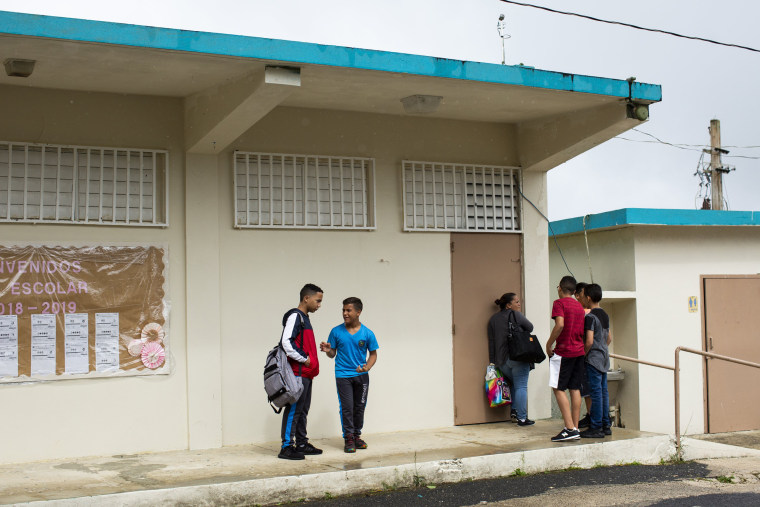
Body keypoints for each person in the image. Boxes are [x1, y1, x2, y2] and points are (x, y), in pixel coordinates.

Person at [320, 297, 379, 453]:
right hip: (343, 375)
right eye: (343, 310)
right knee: (347, 408)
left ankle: (357, 436)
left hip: (361, 376)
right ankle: (349, 438)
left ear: (358, 312)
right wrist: (328, 350)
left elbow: (373, 355)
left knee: (359, 407)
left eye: (348, 310)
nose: (345, 313)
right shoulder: (335, 331)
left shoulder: (367, 333)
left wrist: (367, 367)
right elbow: (332, 354)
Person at [278, 283, 323, 460]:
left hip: (306, 374)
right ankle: (286, 447)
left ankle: (302, 443)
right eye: (317, 301)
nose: (319, 305)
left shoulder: (305, 318)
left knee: (303, 409)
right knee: (294, 410)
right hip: (297, 373)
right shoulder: (295, 316)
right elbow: (286, 342)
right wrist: (305, 358)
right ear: (306, 298)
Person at [546, 275, 586, 442]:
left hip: (564, 352)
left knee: (558, 387)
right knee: (574, 388)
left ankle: (569, 428)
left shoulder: (559, 303)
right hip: (579, 351)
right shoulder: (579, 306)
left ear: (560, 288)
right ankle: (575, 427)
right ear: (575, 291)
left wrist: (549, 344)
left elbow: (560, 324)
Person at [487, 292, 536, 426]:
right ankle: (522, 418)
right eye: (516, 302)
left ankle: (514, 411)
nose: (519, 304)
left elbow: (491, 342)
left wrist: (493, 361)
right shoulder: (516, 315)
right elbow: (530, 327)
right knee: (521, 386)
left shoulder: (493, 319)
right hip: (518, 357)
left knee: (514, 383)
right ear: (508, 305)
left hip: (502, 361)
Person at [579, 283, 613, 438]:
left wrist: (584, 354)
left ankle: (596, 427)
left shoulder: (590, 317)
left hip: (593, 359)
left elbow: (589, 341)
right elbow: (609, 338)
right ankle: (606, 425)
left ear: (588, 298)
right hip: (605, 358)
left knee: (595, 394)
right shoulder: (604, 314)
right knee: (603, 392)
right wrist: (602, 348)